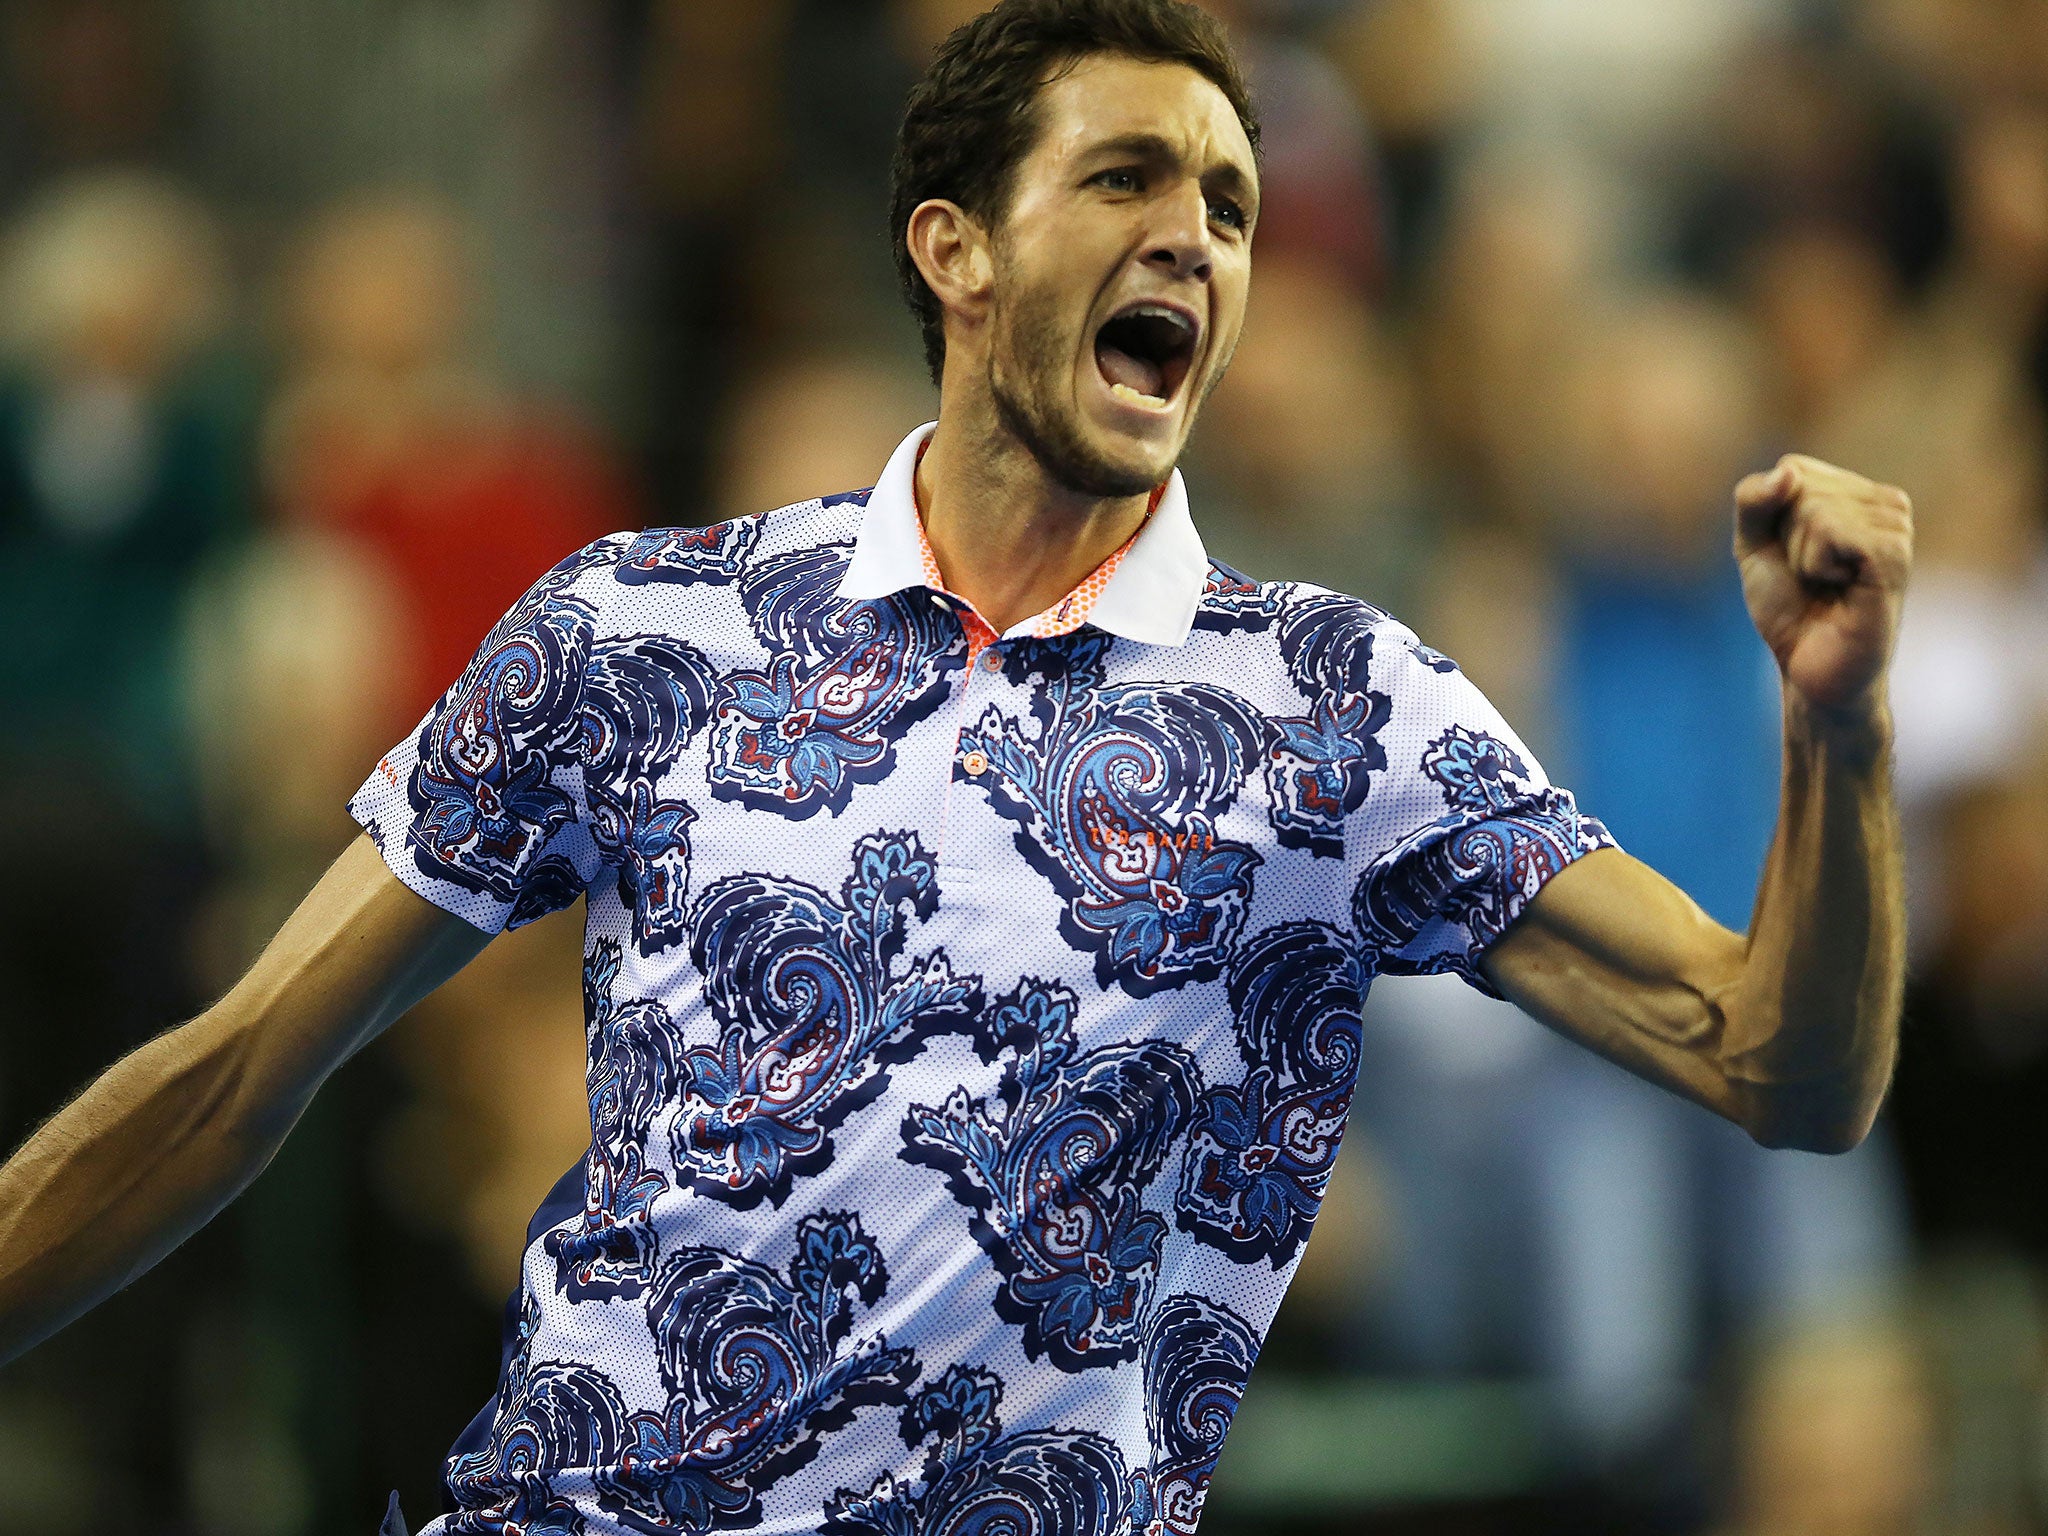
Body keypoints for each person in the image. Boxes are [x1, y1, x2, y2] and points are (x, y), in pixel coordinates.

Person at [0, 2, 1912, 1533]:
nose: (1196, 234)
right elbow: (240, 1070)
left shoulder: (1344, 710)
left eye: (1232, 207)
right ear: (958, 251)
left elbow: (1784, 1069)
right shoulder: (639, 633)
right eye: (1129, 177)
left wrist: (1833, 728)